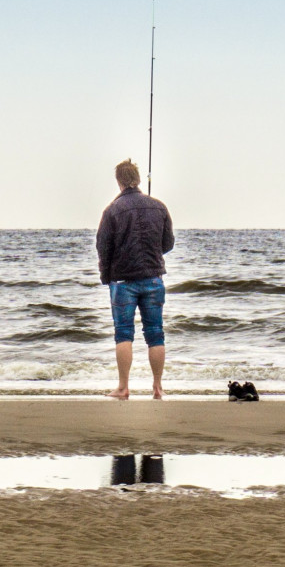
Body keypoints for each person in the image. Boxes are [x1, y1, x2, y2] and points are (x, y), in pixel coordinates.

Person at [96, 159, 174, 400]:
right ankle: (158, 387)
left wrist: (106, 277)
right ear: (138, 180)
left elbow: (103, 247)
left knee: (123, 333)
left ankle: (123, 387)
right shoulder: (159, 207)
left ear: (119, 181)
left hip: (122, 281)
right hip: (153, 278)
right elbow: (168, 244)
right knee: (155, 333)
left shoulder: (112, 211)